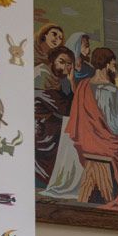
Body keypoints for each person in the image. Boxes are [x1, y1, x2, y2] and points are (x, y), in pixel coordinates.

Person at [65, 47, 118, 211]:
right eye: (113, 65)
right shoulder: (112, 91)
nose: (115, 68)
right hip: (108, 145)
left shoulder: (83, 85)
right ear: (106, 65)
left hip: (86, 143)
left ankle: (102, 192)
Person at [33, 45, 75, 187]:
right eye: (61, 62)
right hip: (42, 129)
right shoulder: (43, 76)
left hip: (48, 122)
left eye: (69, 64)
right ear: (52, 61)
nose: (66, 67)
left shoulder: (54, 78)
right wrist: (72, 83)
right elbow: (66, 108)